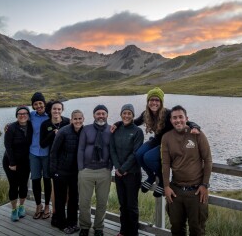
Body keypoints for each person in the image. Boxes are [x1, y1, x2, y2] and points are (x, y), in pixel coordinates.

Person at [112, 87, 200, 197]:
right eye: (151, 100)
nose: (154, 102)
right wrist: (118, 123)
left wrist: (195, 127)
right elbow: (134, 122)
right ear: (148, 102)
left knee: (148, 157)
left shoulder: (168, 113)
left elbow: (186, 121)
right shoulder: (146, 114)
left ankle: (163, 181)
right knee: (139, 154)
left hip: (169, 143)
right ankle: (151, 176)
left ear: (161, 102)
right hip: (157, 140)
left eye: (157, 100)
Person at [161, 105, 212, 236]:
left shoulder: (197, 134)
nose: (178, 120)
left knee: (197, 229)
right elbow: (165, 163)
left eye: (180, 117)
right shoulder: (166, 138)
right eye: (174, 118)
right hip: (175, 191)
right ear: (171, 120)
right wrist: (166, 186)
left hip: (196, 192)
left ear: (186, 118)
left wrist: (205, 184)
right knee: (177, 228)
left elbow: (208, 160)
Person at [78, 105, 112, 236]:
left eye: (103, 113)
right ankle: (85, 226)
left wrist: (110, 167)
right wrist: (81, 168)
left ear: (107, 115)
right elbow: (81, 149)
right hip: (87, 170)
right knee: (84, 201)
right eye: (98, 113)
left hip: (104, 171)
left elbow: (113, 149)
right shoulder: (86, 129)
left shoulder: (111, 129)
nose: (101, 116)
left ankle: (99, 227)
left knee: (102, 201)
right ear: (94, 115)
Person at [109, 104, 144, 236]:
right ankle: (123, 231)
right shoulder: (116, 129)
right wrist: (118, 168)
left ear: (133, 115)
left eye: (129, 113)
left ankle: (133, 233)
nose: (127, 115)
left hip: (132, 174)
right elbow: (112, 149)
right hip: (119, 173)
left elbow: (135, 153)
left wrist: (123, 169)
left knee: (131, 206)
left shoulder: (137, 131)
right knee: (122, 205)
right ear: (121, 114)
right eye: (124, 113)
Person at [50, 109, 84, 234]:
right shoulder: (63, 132)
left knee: (74, 199)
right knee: (60, 198)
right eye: (75, 119)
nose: (78, 121)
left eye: (80, 118)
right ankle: (60, 223)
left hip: (75, 172)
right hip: (61, 171)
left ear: (83, 119)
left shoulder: (84, 132)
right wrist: (53, 171)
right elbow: (54, 152)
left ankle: (72, 223)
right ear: (71, 120)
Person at [40, 100, 70, 225]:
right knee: (55, 189)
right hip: (53, 160)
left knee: (68, 189)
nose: (56, 111)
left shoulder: (68, 121)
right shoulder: (45, 124)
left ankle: (66, 214)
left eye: (59, 109)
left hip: (68, 160)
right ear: (50, 110)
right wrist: (53, 134)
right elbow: (42, 144)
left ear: (62, 110)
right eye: (54, 109)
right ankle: (55, 213)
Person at [3, 105, 33, 221]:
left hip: (25, 162)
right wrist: (12, 163)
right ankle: (14, 210)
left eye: (25, 113)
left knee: (24, 185)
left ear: (28, 115)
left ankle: (21, 206)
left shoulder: (31, 126)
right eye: (20, 113)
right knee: (14, 185)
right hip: (10, 162)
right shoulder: (11, 128)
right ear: (16, 115)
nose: (22, 115)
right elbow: (8, 146)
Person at [29, 92, 51, 219]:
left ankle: (47, 205)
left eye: (40, 103)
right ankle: (38, 205)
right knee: (36, 180)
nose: (38, 106)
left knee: (47, 180)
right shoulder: (31, 116)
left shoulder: (50, 115)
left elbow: (61, 121)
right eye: (35, 104)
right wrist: (8, 126)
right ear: (33, 105)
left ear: (44, 103)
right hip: (33, 153)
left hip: (47, 153)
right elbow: (20, 120)